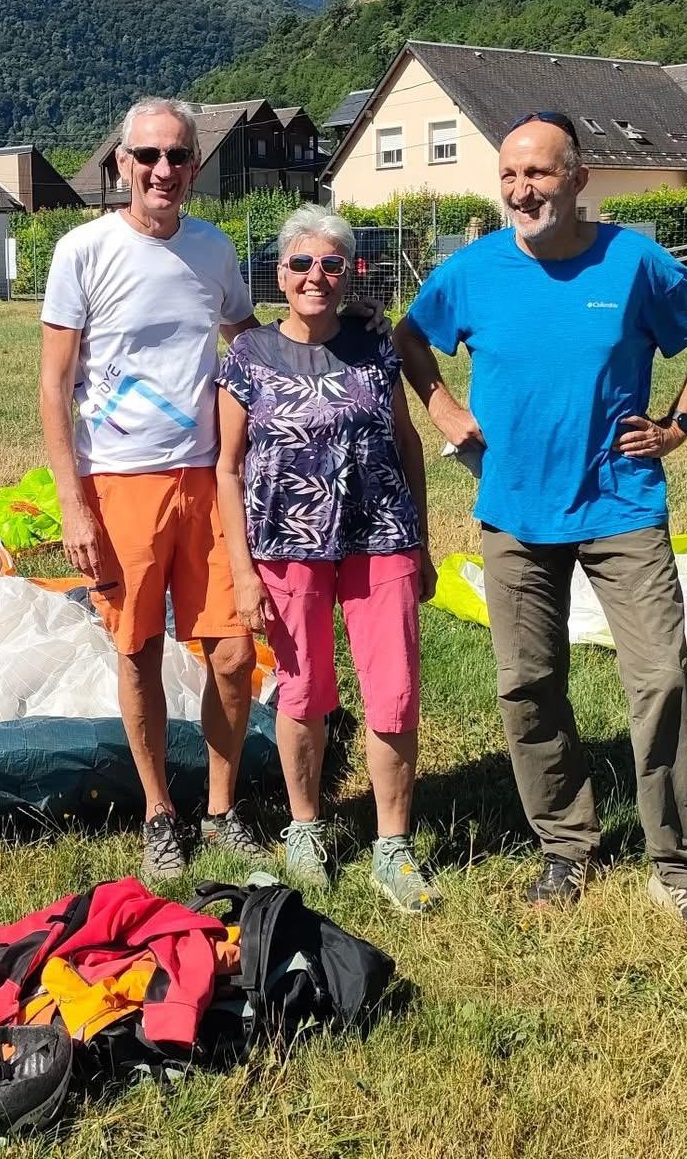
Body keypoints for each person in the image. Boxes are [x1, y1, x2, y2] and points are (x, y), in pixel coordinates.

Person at [392, 111, 687, 933]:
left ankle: (683, 866)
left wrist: (678, 426)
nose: (523, 190)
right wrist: (442, 404)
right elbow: (411, 339)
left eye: (541, 175)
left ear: (579, 180)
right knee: (527, 685)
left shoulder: (634, 262)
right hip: (514, 509)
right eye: (511, 176)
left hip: (622, 503)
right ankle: (565, 843)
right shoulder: (471, 271)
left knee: (659, 679)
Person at [36, 97, 269, 882]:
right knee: (136, 651)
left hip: (207, 479)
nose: (163, 170)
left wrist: (323, 340)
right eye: (148, 156)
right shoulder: (82, 250)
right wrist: (73, 502)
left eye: (177, 156)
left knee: (234, 653)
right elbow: (54, 384)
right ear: (121, 164)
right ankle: (159, 813)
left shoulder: (213, 249)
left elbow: (246, 332)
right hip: (120, 484)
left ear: (194, 166)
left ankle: (222, 806)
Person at [213, 205, 439, 912]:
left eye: (332, 264)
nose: (317, 276)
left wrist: (422, 540)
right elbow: (226, 467)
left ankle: (392, 847)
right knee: (303, 689)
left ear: (350, 273)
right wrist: (244, 571)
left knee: (394, 692)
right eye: (303, 264)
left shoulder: (376, 346)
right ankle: (306, 826)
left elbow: (407, 442)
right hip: (287, 544)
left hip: (382, 538)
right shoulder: (246, 358)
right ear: (280, 273)